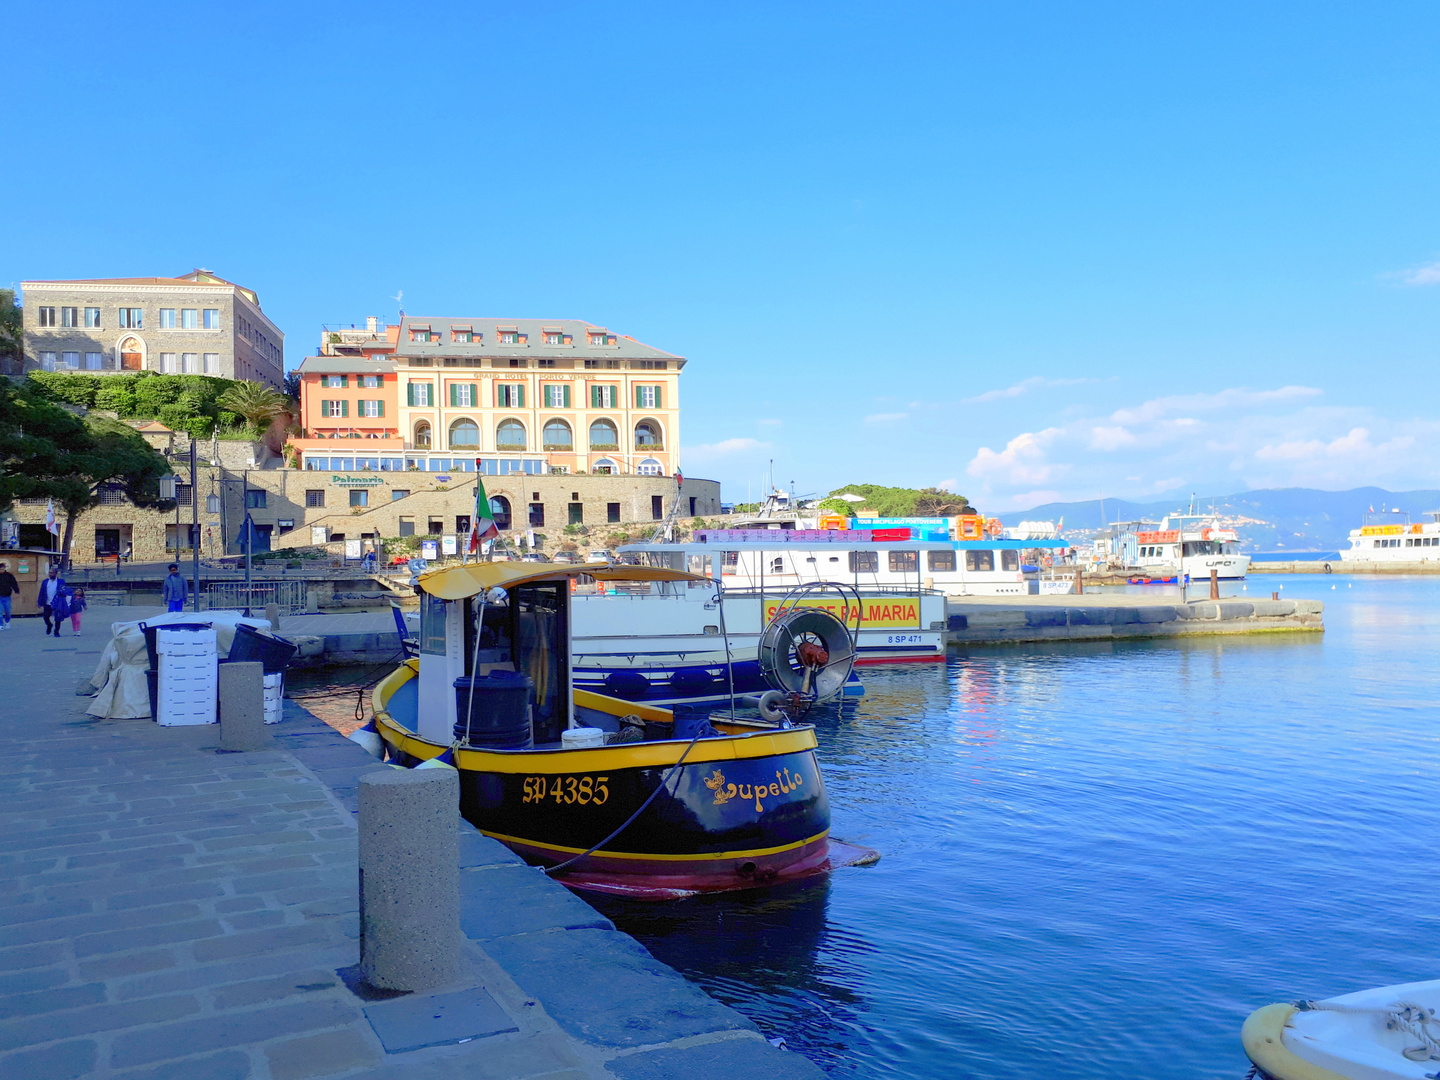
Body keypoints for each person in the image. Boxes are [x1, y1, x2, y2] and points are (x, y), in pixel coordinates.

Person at [38, 565, 66, 636]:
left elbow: (64, 591)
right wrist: (39, 602)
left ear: (56, 574)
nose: (51, 574)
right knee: (46, 617)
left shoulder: (61, 582)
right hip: (47, 602)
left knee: (58, 618)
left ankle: (56, 631)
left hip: (57, 603)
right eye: (50, 573)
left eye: (52, 573)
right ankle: (49, 625)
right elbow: (41, 592)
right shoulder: (45, 582)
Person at [0, 561, 17, 630]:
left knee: (8, 611)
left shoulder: (9, 576)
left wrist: (16, 591)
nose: (1, 570)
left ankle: (7, 621)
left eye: (2, 569)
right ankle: (1, 624)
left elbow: (14, 583)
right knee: (0, 612)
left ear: (5, 569)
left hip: (7, 596)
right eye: (0, 569)